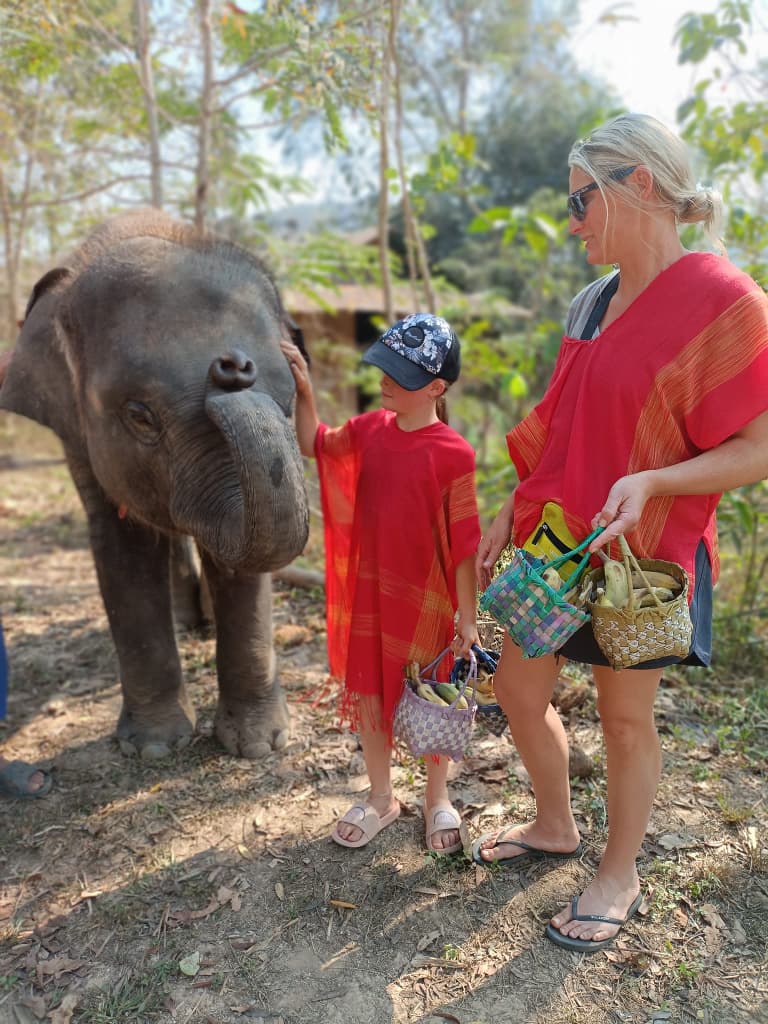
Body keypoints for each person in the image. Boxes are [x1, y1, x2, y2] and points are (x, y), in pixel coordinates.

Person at [474, 113, 768, 952]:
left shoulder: (728, 303)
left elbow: (758, 445)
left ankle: (620, 872)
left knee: (625, 719)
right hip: (554, 538)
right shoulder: (592, 301)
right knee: (517, 690)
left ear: (638, 183)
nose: (572, 224)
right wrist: (509, 503)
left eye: (580, 202)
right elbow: (559, 418)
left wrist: (655, 480)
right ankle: (555, 824)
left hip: (646, 553)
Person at [281, 313, 481, 853]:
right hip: (372, 592)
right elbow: (313, 443)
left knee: (433, 697)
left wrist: (467, 618)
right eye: (384, 368)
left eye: (401, 374)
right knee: (372, 692)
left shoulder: (454, 454)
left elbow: (464, 548)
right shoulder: (369, 430)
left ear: (437, 389)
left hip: (429, 600)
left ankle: (437, 797)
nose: (384, 380)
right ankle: (382, 796)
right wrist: (304, 389)